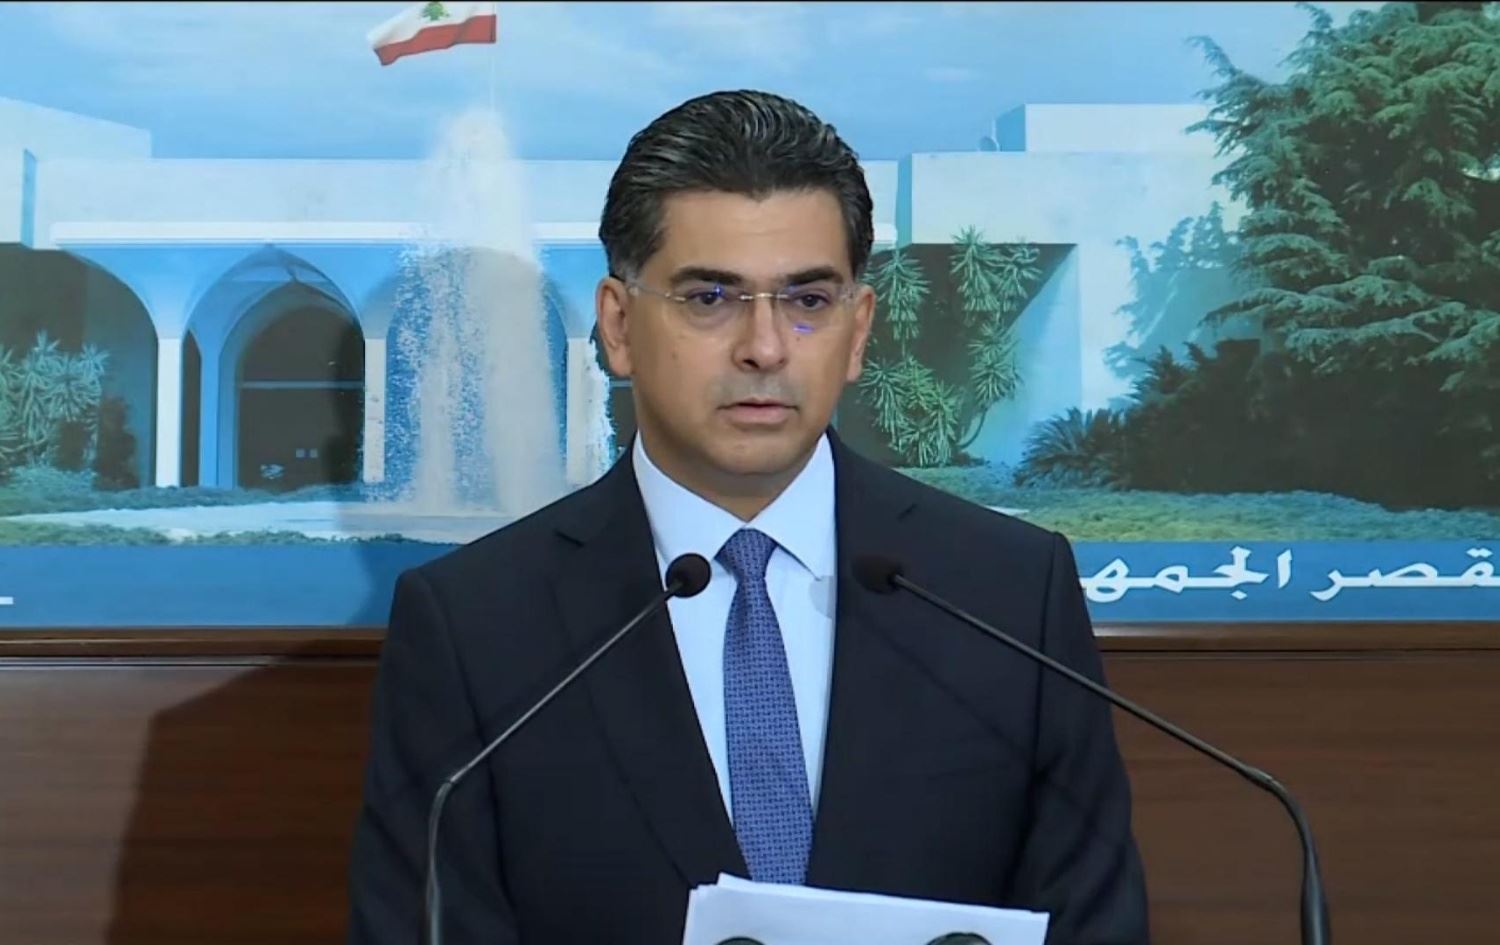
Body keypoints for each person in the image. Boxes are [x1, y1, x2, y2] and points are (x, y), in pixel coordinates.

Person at [345, 89, 1148, 945]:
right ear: (618, 325)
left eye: (808, 301)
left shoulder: (1007, 593)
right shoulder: (474, 623)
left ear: (858, 329)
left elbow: (1092, 924)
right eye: (710, 298)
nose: (764, 347)